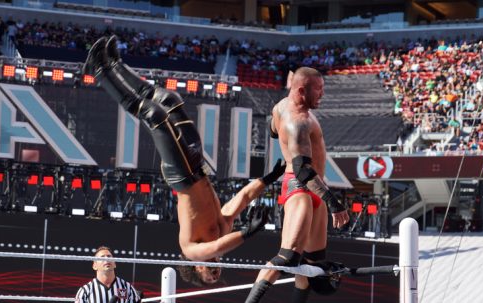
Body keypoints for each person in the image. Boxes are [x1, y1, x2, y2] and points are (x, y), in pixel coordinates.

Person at [84, 36, 286, 285]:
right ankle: (114, 64)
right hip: (197, 165)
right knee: (169, 101)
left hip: (182, 175)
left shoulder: (191, 250)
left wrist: (248, 233)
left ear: (195, 269)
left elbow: (218, 247)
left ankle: (99, 71)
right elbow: (242, 199)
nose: (215, 273)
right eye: (217, 275)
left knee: (155, 115)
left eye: (208, 277)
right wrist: (268, 179)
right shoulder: (221, 228)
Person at [245, 67, 350, 303]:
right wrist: (334, 204)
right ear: (302, 91)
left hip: (316, 189)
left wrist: (283, 138)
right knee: (288, 257)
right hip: (301, 187)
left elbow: (271, 129)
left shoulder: (281, 106)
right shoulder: (298, 122)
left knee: (312, 264)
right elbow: (303, 171)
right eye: (319, 90)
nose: (322, 94)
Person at [75, 246, 141, 303]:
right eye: (102, 257)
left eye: (109, 256)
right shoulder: (85, 291)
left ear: (115, 264)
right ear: (94, 266)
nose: (106, 259)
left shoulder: (127, 287)